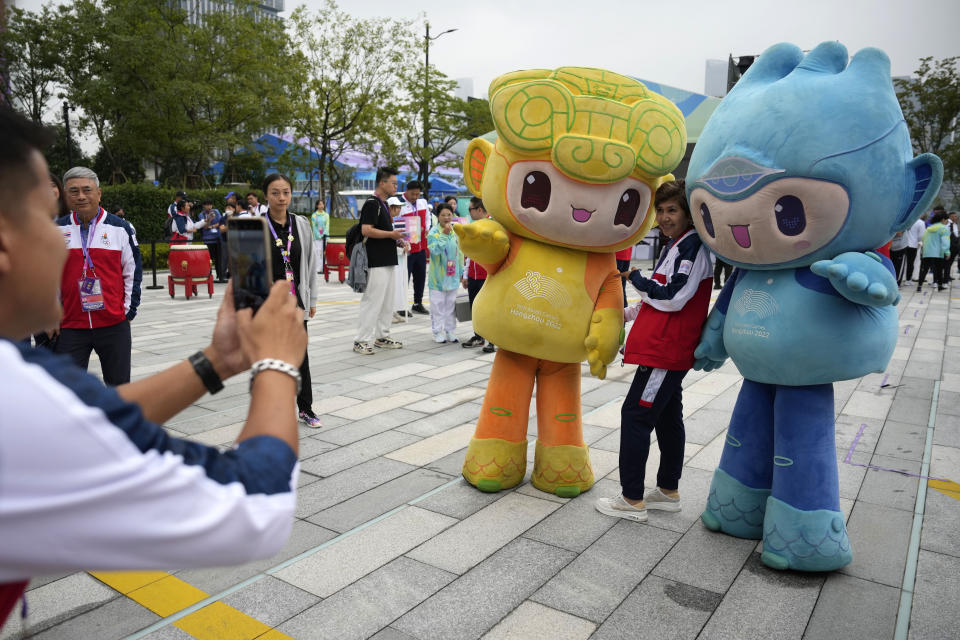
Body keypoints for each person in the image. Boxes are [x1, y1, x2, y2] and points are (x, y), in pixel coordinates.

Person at [0, 107, 307, 630]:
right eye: (42, 215)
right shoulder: (13, 400)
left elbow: (80, 421)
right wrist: (277, 365)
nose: (61, 239)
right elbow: (255, 507)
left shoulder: (21, 389)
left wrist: (217, 361)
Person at [595, 180, 712, 522]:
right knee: (667, 417)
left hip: (664, 351)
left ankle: (631, 499)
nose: (664, 217)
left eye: (672, 210)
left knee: (636, 417)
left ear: (689, 214)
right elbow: (657, 301)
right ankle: (667, 490)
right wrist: (625, 313)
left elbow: (673, 297)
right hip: (663, 347)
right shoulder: (677, 245)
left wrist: (636, 278)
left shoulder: (692, 248)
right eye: (660, 211)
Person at [55, 166, 142, 386]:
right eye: (74, 191)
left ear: (99, 193)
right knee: (69, 391)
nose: (81, 196)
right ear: (66, 195)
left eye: (87, 190)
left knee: (119, 387)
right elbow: (48, 276)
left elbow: (132, 271)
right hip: (71, 325)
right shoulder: (56, 230)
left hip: (113, 323)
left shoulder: (120, 228)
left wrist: (127, 312)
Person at [263, 173, 323, 428]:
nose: (281, 197)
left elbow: (310, 264)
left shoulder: (301, 224)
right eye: (275, 192)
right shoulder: (255, 225)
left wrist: (312, 298)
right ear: (266, 195)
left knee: (300, 356)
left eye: (286, 192)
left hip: (295, 301)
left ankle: (305, 408)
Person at [353, 168, 405, 354]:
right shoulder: (372, 204)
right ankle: (361, 340)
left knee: (387, 302)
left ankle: (382, 336)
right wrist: (391, 234)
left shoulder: (383, 204)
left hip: (388, 259)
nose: (395, 186)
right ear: (382, 183)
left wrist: (397, 240)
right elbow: (366, 230)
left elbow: (383, 232)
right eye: (393, 183)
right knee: (372, 301)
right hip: (375, 261)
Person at [461, 197, 495, 353]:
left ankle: (492, 340)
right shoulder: (473, 226)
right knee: (474, 306)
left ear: (479, 210)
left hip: (487, 275)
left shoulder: (493, 227)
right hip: (474, 275)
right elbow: (468, 254)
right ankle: (478, 336)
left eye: (470, 209)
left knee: (489, 309)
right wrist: (466, 274)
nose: (469, 212)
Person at [427, 203, 464, 343]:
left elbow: (460, 253)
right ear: (438, 216)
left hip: (452, 276)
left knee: (451, 306)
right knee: (437, 306)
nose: (447, 217)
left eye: (449, 214)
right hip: (437, 278)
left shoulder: (455, 232)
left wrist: (461, 272)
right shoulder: (433, 232)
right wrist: (444, 235)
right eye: (443, 215)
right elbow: (435, 250)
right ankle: (437, 331)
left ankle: (450, 331)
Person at [398, 180, 431, 315]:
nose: (415, 197)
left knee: (420, 276)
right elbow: (396, 224)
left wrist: (427, 228)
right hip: (407, 248)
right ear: (406, 190)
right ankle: (401, 305)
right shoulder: (399, 204)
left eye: (417, 194)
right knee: (404, 277)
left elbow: (428, 217)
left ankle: (417, 303)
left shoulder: (422, 203)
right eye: (413, 194)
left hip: (421, 246)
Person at [387, 196, 411, 323]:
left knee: (398, 285)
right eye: (396, 208)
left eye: (399, 207)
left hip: (400, 259)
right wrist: (401, 246)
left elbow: (400, 238)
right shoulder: (387, 222)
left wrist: (405, 244)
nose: (398, 210)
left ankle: (394, 310)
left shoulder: (395, 221)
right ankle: (388, 312)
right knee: (392, 286)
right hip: (391, 259)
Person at [917, 211, 950, 292]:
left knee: (924, 270)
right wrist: (947, 252)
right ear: (943, 220)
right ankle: (939, 286)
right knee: (939, 270)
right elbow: (945, 241)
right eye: (946, 220)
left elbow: (923, 239)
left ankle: (919, 286)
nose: (947, 222)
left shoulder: (928, 228)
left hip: (927, 252)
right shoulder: (944, 228)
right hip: (938, 253)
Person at [200, 199, 225, 282]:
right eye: (207, 205)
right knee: (208, 259)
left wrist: (213, 226)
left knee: (219, 259)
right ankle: (208, 276)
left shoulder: (216, 211)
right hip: (208, 240)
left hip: (217, 238)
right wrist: (209, 219)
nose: (209, 207)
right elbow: (205, 227)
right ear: (204, 206)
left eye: (210, 205)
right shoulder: (201, 215)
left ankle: (221, 276)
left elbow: (221, 222)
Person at [310, 199, 330, 275]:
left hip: (325, 237)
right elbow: (314, 227)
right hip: (317, 238)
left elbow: (327, 226)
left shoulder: (326, 215)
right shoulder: (314, 215)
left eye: (322, 204)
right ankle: (318, 268)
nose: (321, 206)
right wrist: (319, 236)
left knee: (325, 252)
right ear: (317, 206)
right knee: (318, 252)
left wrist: (324, 235)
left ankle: (326, 267)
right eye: (320, 204)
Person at [905, 214, 926, 282]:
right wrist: (920, 242)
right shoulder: (920, 222)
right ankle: (909, 279)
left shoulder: (907, 220)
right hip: (914, 244)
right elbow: (921, 236)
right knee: (912, 263)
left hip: (904, 244)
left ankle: (903, 277)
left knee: (903, 263)